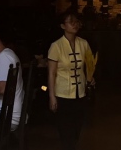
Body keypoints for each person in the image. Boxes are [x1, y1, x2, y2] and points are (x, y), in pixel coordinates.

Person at [48, 9, 94, 150]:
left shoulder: (83, 43)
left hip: (80, 93)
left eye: (76, 21)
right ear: (63, 26)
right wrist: (52, 97)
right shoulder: (56, 46)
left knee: (77, 129)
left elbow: (90, 64)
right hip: (62, 94)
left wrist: (91, 77)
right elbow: (51, 73)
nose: (75, 24)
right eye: (71, 22)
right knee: (65, 131)